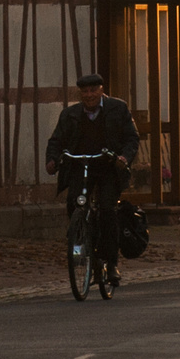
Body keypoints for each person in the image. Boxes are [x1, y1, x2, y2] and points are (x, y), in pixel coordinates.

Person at [44, 73, 141, 286]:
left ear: (101, 90)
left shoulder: (118, 108)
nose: (89, 95)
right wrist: (52, 160)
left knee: (107, 210)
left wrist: (124, 157)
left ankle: (111, 263)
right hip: (81, 165)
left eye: (93, 91)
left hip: (108, 167)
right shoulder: (70, 114)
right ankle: (81, 246)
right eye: (85, 92)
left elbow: (132, 137)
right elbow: (56, 140)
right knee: (75, 204)